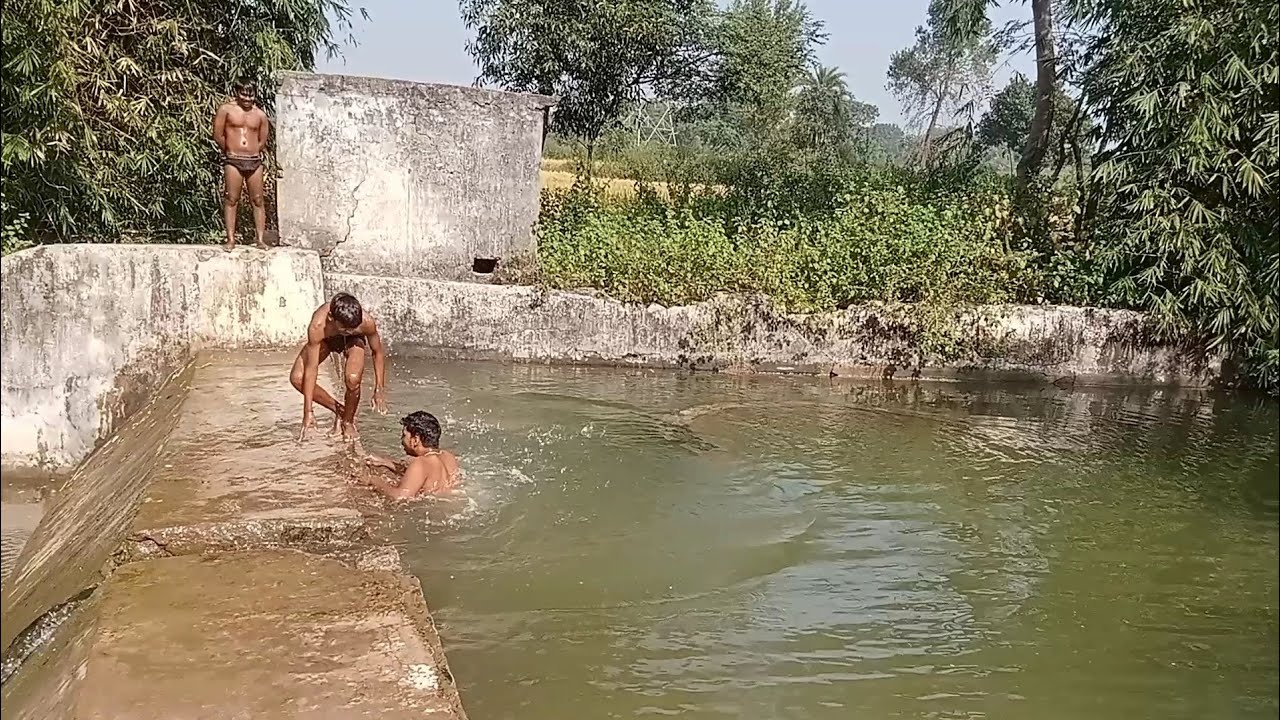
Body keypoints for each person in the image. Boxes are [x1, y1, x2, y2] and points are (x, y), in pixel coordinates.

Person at [289, 293, 388, 441]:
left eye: (353, 328)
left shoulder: (366, 323)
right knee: (297, 378)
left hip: (355, 342)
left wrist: (379, 388)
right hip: (327, 340)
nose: (349, 331)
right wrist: (308, 411)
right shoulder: (318, 325)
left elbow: (377, 352)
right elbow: (311, 368)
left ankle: (348, 421)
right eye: (345, 329)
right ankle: (341, 411)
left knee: (353, 379)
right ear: (330, 318)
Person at [213, 78, 271, 250]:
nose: (247, 99)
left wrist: (252, 152)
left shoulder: (260, 115)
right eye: (244, 94)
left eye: (250, 95)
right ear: (237, 93)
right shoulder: (226, 110)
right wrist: (231, 149)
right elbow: (218, 135)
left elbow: (262, 140)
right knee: (231, 198)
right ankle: (230, 239)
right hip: (233, 160)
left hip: (254, 161)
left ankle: (260, 239)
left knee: (258, 199)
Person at [363, 411, 461, 499]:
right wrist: (387, 463)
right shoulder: (448, 456)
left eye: (404, 435)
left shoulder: (421, 462)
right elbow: (423, 477)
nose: (402, 440)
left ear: (415, 440)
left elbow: (400, 497)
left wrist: (372, 480)